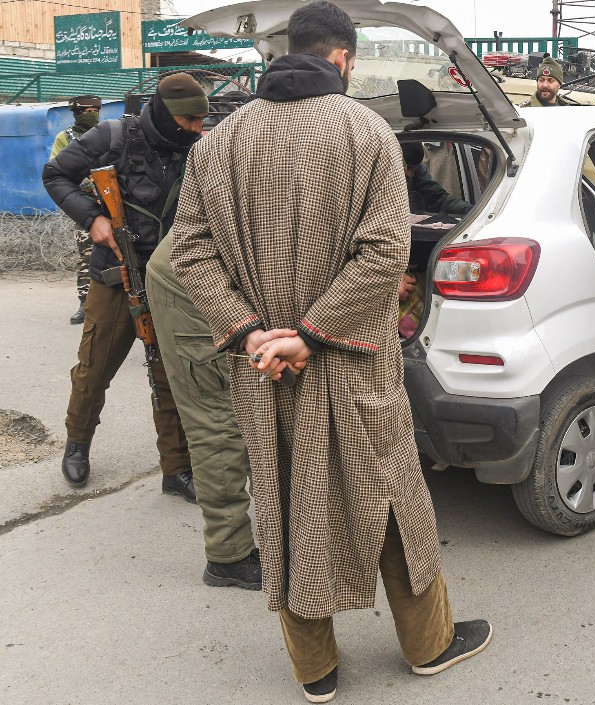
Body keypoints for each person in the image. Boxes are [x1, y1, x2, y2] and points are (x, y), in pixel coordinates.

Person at [170, 3, 491, 701]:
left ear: (292, 51)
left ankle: (314, 672)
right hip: (347, 363)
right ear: (342, 59)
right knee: (392, 496)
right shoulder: (366, 131)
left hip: (263, 370)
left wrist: (255, 332)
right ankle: (430, 643)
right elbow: (384, 256)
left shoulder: (216, 144)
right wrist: (310, 333)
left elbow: (189, 252)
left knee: (287, 507)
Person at [43, 74, 207, 501]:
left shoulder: (198, 149)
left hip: (172, 281)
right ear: (167, 113)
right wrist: (91, 218)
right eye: (190, 119)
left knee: (171, 375)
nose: (196, 128)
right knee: (94, 367)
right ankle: (77, 444)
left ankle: (176, 468)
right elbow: (56, 174)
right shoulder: (111, 136)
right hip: (116, 274)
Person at [145, 233, 262, 590]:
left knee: (248, 413)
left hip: (217, 274)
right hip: (191, 285)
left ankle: (278, 532)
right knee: (218, 423)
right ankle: (229, 555)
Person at [50, 95, 102, 325]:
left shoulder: (107, 133)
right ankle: (85, 302)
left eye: (95, 110)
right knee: (88, 255)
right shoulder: (65, 138)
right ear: (76, 114)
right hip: (85, 203)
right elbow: (57, 171)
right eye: (86, 111)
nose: (92, 114)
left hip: (114, 200)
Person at [401, 141, 471, 215]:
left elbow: (437, 198)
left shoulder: (419, 170)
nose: (411, 174)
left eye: (414, 168)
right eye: (408, 168)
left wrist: (468, 209)